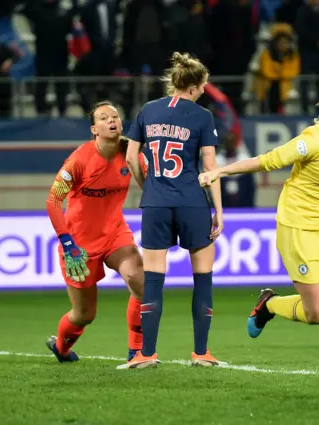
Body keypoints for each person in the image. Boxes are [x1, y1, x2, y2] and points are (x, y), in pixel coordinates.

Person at [199, 83, 319, 391]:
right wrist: (219, 172)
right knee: (318, 314)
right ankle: (269, 305)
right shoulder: (314, 140)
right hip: (300, 227)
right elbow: (269, 160)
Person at [120, 52, 224, 369]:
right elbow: (209, 166)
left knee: (153, 279)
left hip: (156, 202)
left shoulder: (148, 110)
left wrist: (147, 184)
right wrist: (218, 210)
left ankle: (147, 354)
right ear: (194, 86)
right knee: (202, 277)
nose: (205, 91)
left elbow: (129, 158)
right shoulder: (203, 116)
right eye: (203, 86)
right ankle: (201, 353)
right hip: (193, 201)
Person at [45, 101, 145, 363]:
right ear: (94, 129)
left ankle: (137, 351)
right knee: (84, 315)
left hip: (115, 233)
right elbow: (53, 201)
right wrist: (68, 244)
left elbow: (152, 186)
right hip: (79, 244)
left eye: (115, 116)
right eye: (104, 118)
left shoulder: (132, 153)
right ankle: (61, 348)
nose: (111, 120)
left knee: (141, 283)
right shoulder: (80, 159)